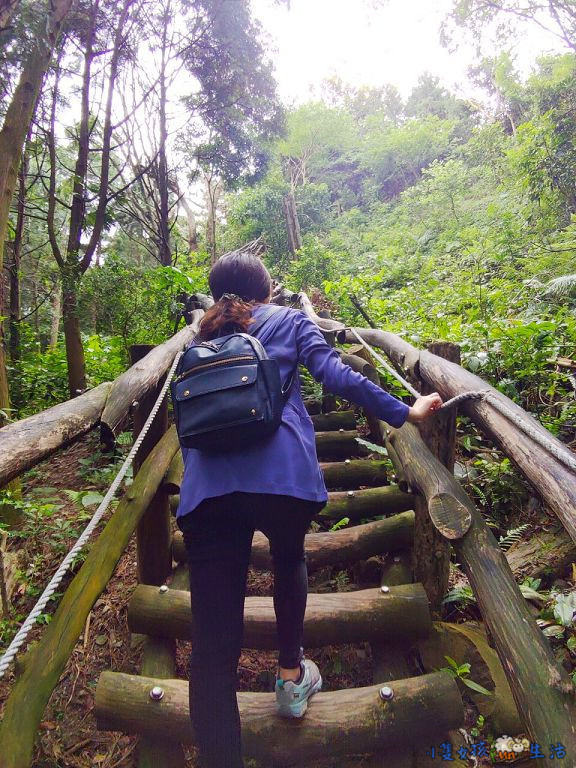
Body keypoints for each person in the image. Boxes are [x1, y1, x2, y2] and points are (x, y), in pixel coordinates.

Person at [176, 252, 442, 768]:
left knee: (211, 655)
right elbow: (335, 376)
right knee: (288, 560)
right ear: (268, 290)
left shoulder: (197, 339)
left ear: (215, 295)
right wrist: (404, 410)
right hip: (282, 480)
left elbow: (185, 417)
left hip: (210, 492)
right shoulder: (292, 320)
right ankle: (291, 678)